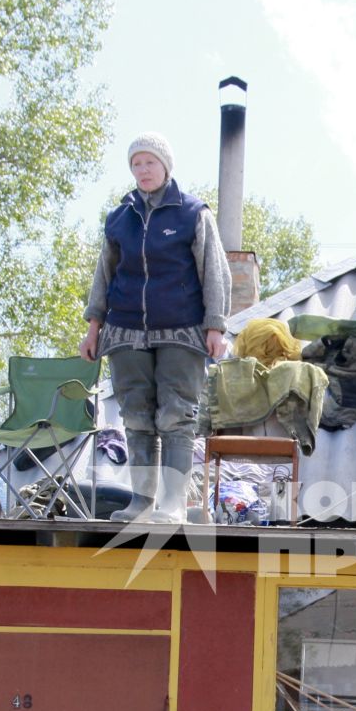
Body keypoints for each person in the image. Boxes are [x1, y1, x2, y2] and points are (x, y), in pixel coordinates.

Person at [80, 133, 232, 521]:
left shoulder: (193, 213)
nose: (142, 170)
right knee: (135, 416)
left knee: (176, 415)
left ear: (165, 166)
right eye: (135, 164)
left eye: (149, 163)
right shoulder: (119, 218)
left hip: (181, 329)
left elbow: (214, 271)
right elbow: (104, 274)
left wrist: (215, 325)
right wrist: (94, 326)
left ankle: (173, 504)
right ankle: (142, 503)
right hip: (125, 330)